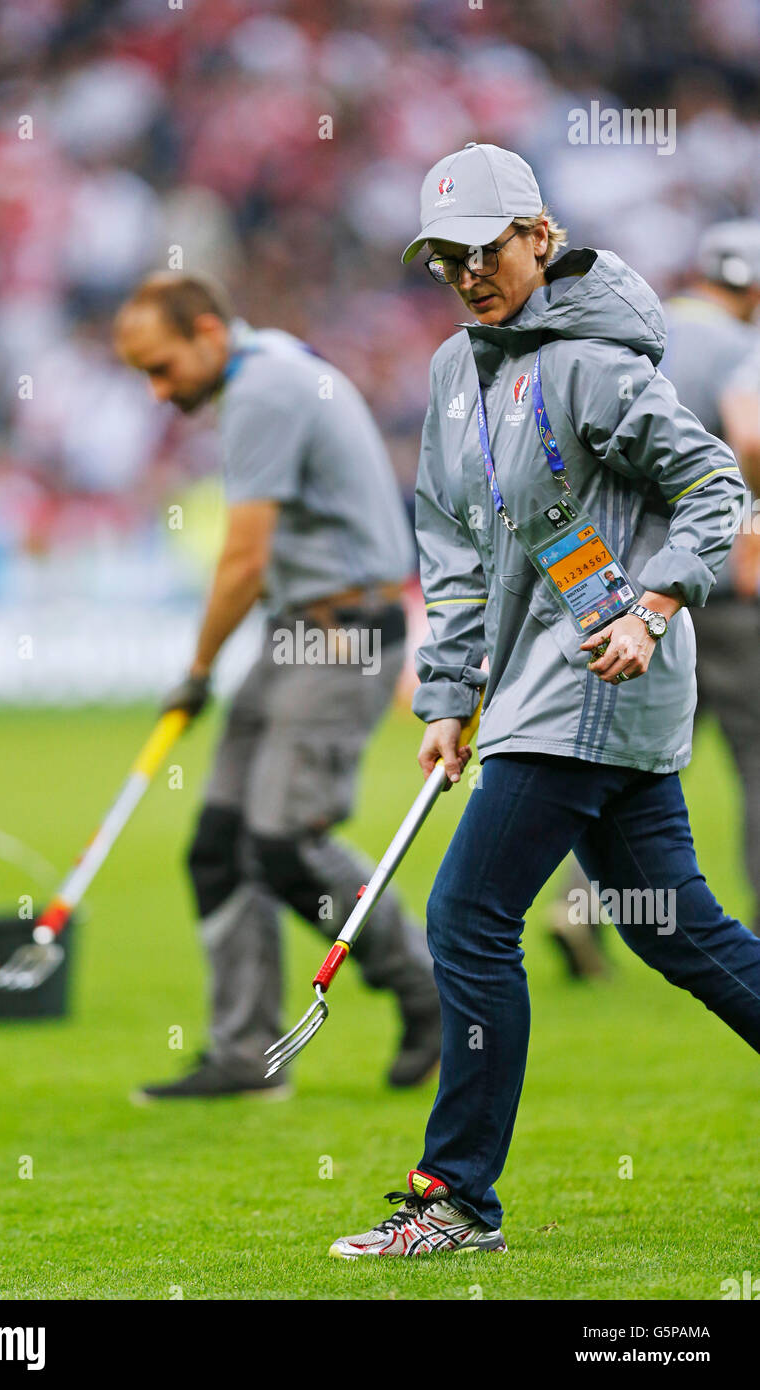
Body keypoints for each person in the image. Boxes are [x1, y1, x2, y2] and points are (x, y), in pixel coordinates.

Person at [329, 142, 760, 1259]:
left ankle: (454, 1198)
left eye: (482, 251)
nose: (464, 275)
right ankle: (457, 1199)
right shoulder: (448, 372)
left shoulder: (596, 365)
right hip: (528, 694)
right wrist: (446, 691)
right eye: (442, 259)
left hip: (598, 684)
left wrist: (652, 605)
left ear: (538, 236)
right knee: (683, 934)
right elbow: (453, 549)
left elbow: (717, 485)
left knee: (466, 916)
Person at [113, 273, 441, 1100]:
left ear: (209, 334)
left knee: (285, 841)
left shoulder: (262, 390)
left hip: (344, 635)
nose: (158, 391)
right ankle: (247, 1058)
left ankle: (428, 987)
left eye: (162, 368)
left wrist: (194, 673)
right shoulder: (264, 366)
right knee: (220, 846)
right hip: (299, 629)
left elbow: (244, 558)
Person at [549, 220, 760, 976]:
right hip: (723, 583)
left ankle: (577, 905)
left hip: (631, 581)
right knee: (756, 758)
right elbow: (753, 438)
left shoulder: (647, 333)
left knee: (628, 762)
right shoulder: (743, 346)